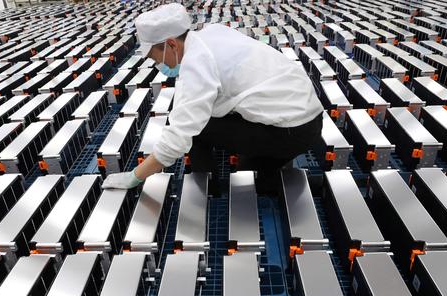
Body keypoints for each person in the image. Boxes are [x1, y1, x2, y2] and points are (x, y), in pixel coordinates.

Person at [102, 3, 323, 194]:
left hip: (291, 130)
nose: (158, 64)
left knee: (200, 131)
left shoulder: (197, 62)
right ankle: (268, 173)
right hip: (307, 118)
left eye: (155, 56)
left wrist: (135, 176)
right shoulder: (212, 33)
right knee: (250, 170)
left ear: (171, 44)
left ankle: (208, 190)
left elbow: (179, 137)